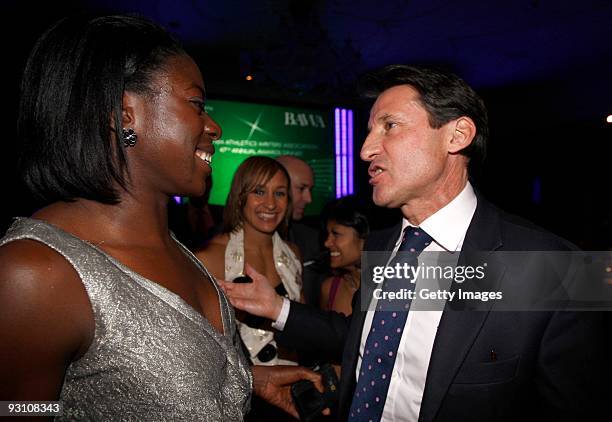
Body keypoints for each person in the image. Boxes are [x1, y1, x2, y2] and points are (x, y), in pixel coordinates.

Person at [220, 65, 606, 421]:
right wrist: (277, 308)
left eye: (389, 126)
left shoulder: (556, 268)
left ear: (457, 136)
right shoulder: (386, 245)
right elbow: (364, 335)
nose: (366, 150)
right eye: (370, 131)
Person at [0, 15, 322, 420]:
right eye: (197, 105)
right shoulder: (35, 272)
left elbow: (142, 376)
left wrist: (247, 378)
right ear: (125, 114)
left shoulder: (183, 254)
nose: (215, 127)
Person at [195, 156, 303, 366]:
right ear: (240, 196)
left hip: (293, 378)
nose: (271, 204)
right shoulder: (209, 258)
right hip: (242, 387)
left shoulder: (293, 253)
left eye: (279, 193)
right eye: (259, 192)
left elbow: (303, 324)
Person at [276, 155, 326, 306]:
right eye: (301, 188)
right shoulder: (229, 242)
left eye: (310, 190)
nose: (309, 198)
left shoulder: (314, 239)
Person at [319, 196, 369, 316]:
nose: (327, 243)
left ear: (363, 237)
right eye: (327, 234)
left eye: (336, 234)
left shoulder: (391, 288)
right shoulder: (330, 289)